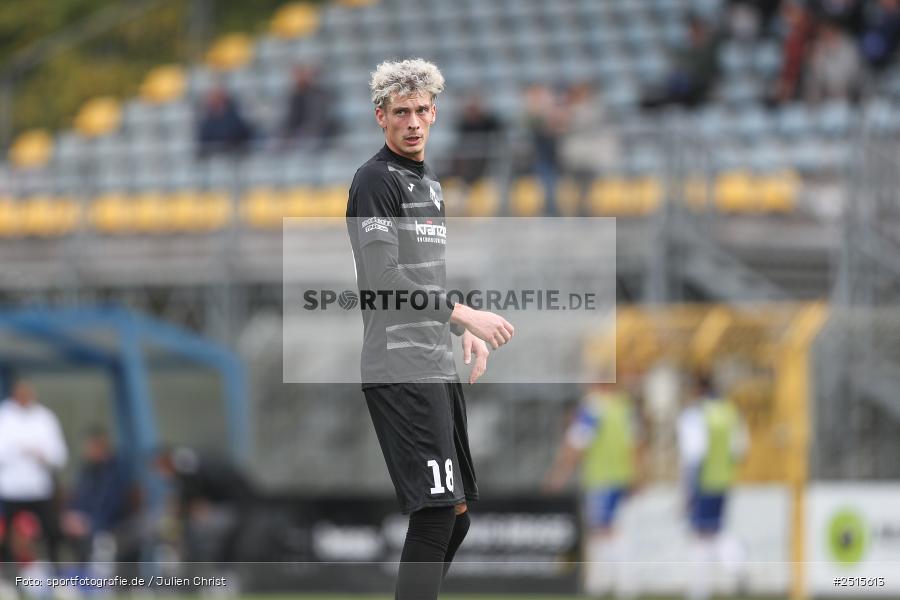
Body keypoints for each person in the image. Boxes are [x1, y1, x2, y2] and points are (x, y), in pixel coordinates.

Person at [345, 58, 515, 600]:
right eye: (401, 112)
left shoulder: (431, 184)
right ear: (381, 117)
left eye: (421, 110)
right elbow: (383, 278)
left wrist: (455, 325)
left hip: (432, 361)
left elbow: (424, 277)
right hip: (399, 363)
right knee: (437, 514)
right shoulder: (374, 180)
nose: (413, 121)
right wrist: (463, 315)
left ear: (435, 113)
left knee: (456, 517)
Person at [544, 382, 642, 598]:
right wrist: (634, 476)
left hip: (601, 479)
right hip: (621, 477)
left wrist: (559, 474)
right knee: (609, 529)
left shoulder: (593, 408)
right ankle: (613, 583)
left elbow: (577, 444)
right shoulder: (623, 407)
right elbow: (634, 444)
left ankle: (617, 585)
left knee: (604, 531)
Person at [677, 373, 749, 600]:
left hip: (702, 480)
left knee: (701, 534)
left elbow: (694, 455)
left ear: (696, 389)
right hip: (723, 480)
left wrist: (688, 492)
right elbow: (740, 450)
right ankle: (734, 563)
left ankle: (704, 588)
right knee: (712, 531)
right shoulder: (729, 411)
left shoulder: (696, 414)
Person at [0, 380, 68, 570]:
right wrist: (19, 450)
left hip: (39, 489)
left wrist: (41, 455)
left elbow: (59, 455)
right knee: (6, 535)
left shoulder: (45, 418)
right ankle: (9, 578)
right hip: (10, 489)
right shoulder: (4, 417)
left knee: (52, 532)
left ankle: (56, 576)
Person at [61, 427, 131, 565]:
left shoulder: (114, 472)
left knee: (98, 542)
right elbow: (79, 496)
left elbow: (112, 505)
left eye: (91, 447)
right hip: (84, 521)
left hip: (106, 524)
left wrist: (89, 522)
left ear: (101, 446)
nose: (87, 451)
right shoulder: (87, 469)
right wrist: (72, 516)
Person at [451, 95, 503, 185]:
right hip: (470, 161)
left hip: (485, 159)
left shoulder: (489, 122)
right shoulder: (463, 124)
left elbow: (499, 134)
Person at [280, 64, 331, 149]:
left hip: (313, 134)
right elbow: (290, 120)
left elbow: (317, 119)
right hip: (298, 134)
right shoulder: (293, 95)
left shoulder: (318, 95)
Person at [196, 86, 254, 157]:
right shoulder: (207, 122)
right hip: (215, 157)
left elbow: (242, 134)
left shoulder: (234, 118)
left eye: (217, 98)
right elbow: (204, 142)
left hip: (233, 156)